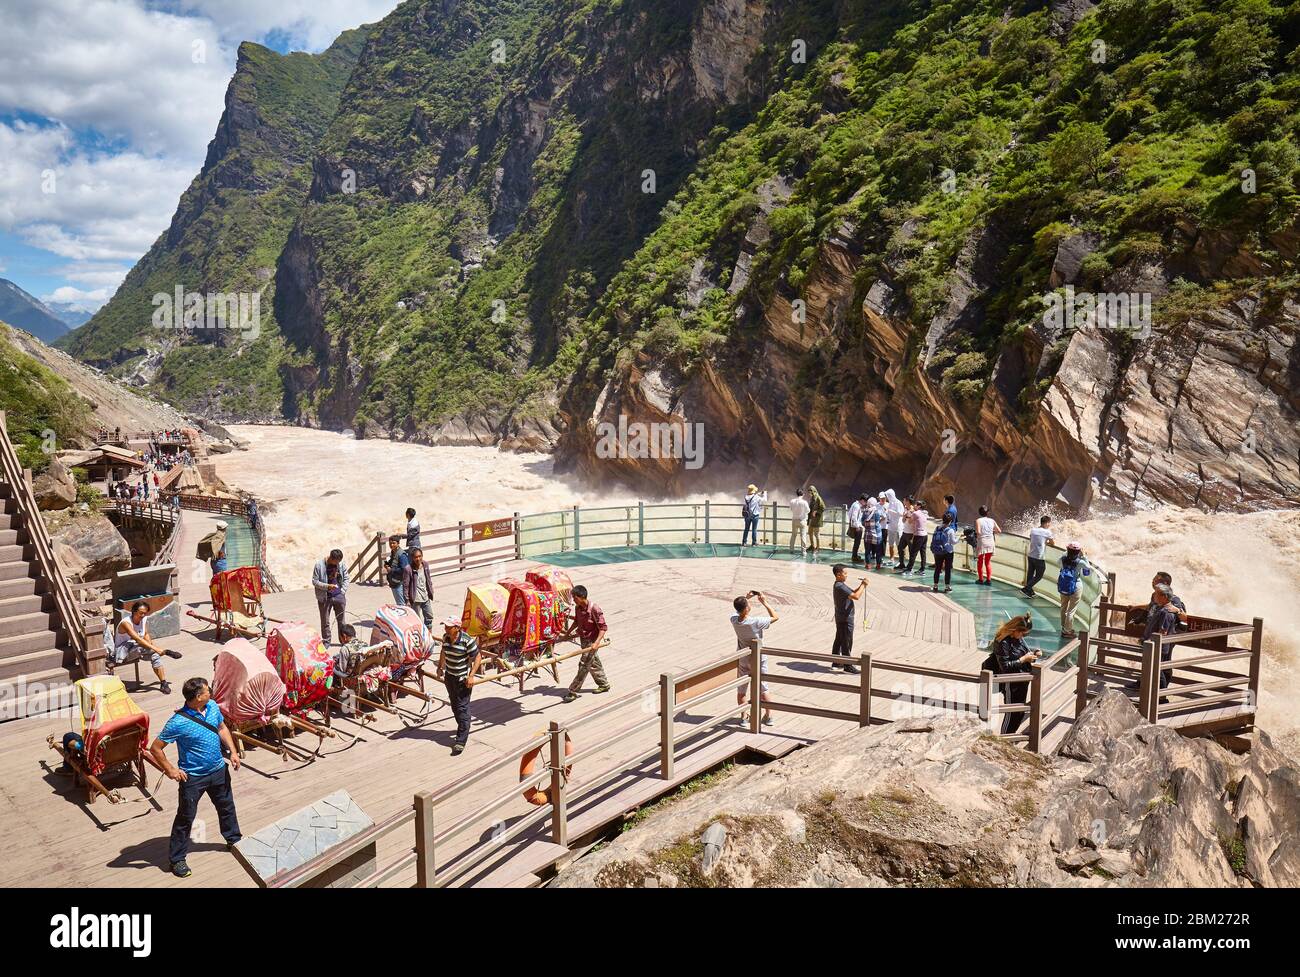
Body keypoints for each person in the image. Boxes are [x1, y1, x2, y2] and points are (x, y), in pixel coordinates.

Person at [150, 677, 241, 878]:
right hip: (193, 778)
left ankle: (234, 839)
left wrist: (232, 752)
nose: (211, 693)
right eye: (208, 691)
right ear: (198, 697)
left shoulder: (213, 707)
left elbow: (222, 728)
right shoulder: (178, 722)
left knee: (227, 806)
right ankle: (177, 859)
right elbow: (155, 748)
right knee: (185, 818)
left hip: (218, 770)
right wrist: (171, 770)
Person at [984, 614, 1040, 735]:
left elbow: (1024, 655)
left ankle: (1010, 737)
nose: (1023, 636)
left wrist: (1033, 655)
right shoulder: (1002, 642)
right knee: (1011, 712)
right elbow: (1005, 666)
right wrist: (1023, 659)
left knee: (1020, 712)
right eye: (1023, 633)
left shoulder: (1018, 639)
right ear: (1015, 629)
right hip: (1011, 680)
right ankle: (1005, 738)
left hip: (1023, 678)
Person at [112, 600, 181, 693]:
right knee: (146, 648)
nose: (143, 615)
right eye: (141, 613)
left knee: (155, 656)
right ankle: (165, 652)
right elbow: (138, 639)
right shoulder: (125, 623)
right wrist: (156, 648)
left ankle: (163, 683)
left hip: (138, 648)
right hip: (123, 651)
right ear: (134, 611)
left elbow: (145, 634)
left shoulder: (143, 619)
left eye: (145, 613)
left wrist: (151, 646)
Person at [436, 618, 483, 755]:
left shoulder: (466, 640)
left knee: (462, 707)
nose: (446, 629)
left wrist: (471, 676)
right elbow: (443, 652)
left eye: (449, 627)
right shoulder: (446, 637)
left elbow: (478, 657)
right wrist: (440, 667)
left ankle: (460, 741)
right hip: (449, 677)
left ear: (457, 628)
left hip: (462, 679)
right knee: (454, 705)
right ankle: (464, 725)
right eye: (445, 626)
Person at [730, 591, 776, 725]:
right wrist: (764, 602)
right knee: (763, 687)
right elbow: (775, 617)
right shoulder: (755, 622)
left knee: (741, 690)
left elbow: (735, 612)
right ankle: (768, 716)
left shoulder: (734, 620)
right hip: (759, 658)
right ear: (746, 609)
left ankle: (744, 717)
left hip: (743, 658)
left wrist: (746, 597)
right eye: (748, 604)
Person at [562, 584, 610, 702]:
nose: (574, 600)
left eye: (575, 598)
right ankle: (604, 684)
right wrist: (567, 633)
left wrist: (597, 643)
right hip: (584, 639)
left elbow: (603, 628)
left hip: (593, 641)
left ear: (582, 596)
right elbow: (577, 622)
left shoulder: (595, 609)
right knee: (593, 663)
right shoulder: (578, 608)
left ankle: (573, 691)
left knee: (584, 664)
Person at [831, 564, 867, 673]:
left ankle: (836, 661)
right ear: (838, 574)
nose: (847, 575)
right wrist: (864, 586)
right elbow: (856, 596)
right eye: (845, 573)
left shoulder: (840, 585)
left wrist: (861, 585)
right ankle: (847, 665)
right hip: (845, 618)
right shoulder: (840, 586)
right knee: (847, 641)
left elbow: (853, 593)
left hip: (841, 616)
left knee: (839, 639)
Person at [1145, 584, 1181, 691]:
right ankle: (1158, 695)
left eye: (1156, 594)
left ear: (1164, 596)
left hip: (1157, 646)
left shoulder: (1166, 612)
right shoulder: (1163, 608)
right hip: (1157, 646)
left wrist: (1151, 643)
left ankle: (1162, 697)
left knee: (1157, 671)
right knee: (1156, 670)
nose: (1154, 596)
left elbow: (1162, 632)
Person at [1056, 542, 1092, 638]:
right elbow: (1088, 568)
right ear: (1078, 551)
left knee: (1063, 606)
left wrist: (1066, 553)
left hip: (1063, 584)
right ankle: (1067, 631)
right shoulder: (1080, 562)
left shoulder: (1063, 559)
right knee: (1071, 610)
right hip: (1075, 585)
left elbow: (1058, 562)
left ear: (1068, 550)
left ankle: (1064, 627)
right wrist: (1084, 556)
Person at [312, 548, 348, 644]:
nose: (337, 564)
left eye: (338, 562)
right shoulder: (319, 565)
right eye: (335, 561)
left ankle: (343, 641)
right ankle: (326, 642)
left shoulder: (341, 564)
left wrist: (342, 591)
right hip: (324, 598)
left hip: (339, 596)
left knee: (341, 621)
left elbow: (346, 578)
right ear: (331, 558)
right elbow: (314, 581)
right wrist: (327, 587)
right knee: (325, 622)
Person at [1022, 515, 1055, 598]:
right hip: (1039, 557)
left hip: (1031, 555)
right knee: (1039, 574)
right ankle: (1026, 588)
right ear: (1047, 523)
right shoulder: (1047, 532)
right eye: (1049, 523)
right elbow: (1052, 543)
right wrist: (1045, 543)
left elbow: (1031, 538)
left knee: (1030, 573)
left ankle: (1029, 591)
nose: (1049, 525)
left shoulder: (1033, 530)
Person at [403, 547, 436, 628]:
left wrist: (430, 589)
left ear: (422, 556)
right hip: (415, 599)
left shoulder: (425, 565)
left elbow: (428, 578)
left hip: (425, 596)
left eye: (419, 556)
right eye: (416, 557)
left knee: (429, 617)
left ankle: (428, 636)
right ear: (412, 558)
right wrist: (407, 600)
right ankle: (419, 637)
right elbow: (406, 586)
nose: (418, 559)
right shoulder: (408, 569)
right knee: (416, 620)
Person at [974, 506, 1001, 585]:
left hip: (982, 542)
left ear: (979, 513)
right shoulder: (992, 520)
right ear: (987, 512)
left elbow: (978, 532)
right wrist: (990, 531)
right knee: (988, 562)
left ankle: (981, 579)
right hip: (990, 542)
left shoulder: (978, 520)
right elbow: (999, 531)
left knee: (980, 561)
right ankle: (989, 580)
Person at [930, 513, 956, 592]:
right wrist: (960, 538)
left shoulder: (937, 528)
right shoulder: (950, 530)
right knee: (947, 569)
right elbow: (953, 542)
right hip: (948, 552)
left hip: (937, 550)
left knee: (937, 568)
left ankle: (935, 585)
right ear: (950, 521)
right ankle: (947, 586)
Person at [385, 535, 410, 606]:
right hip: (394, 582)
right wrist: (387, 564)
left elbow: (404, 569)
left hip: (399, 583)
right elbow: (394, 563)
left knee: (401, 604)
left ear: (398, 543)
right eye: (390, 543)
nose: (391, 545)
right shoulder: (393, 552)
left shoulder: (402, 555)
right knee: (399, 603)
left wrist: (391, 570)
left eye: (393, 543)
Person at [893, 497, 915, 570]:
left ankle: (910, 567)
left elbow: (912, 521)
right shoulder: (905, 509)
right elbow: (903, 520)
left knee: (911, 551)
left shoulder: (913, 510)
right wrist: (904, 516)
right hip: (905, 532)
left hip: (911, 533)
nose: (903, 501)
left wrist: (908, 515)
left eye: (904, 500)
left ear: (908, 501)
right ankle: (901, 564)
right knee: (900, 548)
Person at [884, 489, 905, 562]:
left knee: (899, 544)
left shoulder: (898, 503)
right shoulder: (890, 503)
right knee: (890, 543)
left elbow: (901, 513)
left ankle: (901, 559)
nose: (886, 497)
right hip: (890, 526)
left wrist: (891, 511)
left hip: (897, 526)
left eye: (887, 495)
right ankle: (891, 558)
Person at [863, 497, 884, 569]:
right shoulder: (877, 512)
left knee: (868, 551)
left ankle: (868, 565)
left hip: (868, 534)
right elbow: (879, 519)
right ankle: (878, 565)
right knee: (878, 551)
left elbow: (862, 521)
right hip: (877, 534)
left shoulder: (865, 512)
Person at [788, 489, 810, 555]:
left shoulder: (792, 501)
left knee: (793, 535)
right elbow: (808, 510)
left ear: (796, 494)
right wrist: (803, 513)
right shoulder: (804, 502)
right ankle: (803, 551)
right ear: (803, 494)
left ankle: (791, 549)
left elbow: (791, 509)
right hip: (802, 520)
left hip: (794, 520)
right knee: (803, 536)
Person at [847, 493, 867, 563]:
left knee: (856, 543)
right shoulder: (857, 506)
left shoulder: (855, 504)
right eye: (865, 501)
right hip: (857, 528)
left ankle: (855, 555)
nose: (865, 503)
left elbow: (849, 514)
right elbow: (854, 517)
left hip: (856, 526)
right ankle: (854, 557)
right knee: (857, 543)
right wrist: (857, 526)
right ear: (862, 500)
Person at [806, 485, 826, 552]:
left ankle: (818, 548)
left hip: (816, 519)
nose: (809, 494)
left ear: (813, 491)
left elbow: (823, 508)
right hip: (811, 519)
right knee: (810, 532)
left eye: (810, 492)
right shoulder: (812, 498)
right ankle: (812, 546)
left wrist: (816, 512)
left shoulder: (818, 498)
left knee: (816, 534)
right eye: (809, 492)